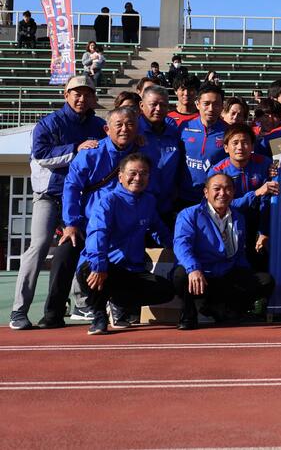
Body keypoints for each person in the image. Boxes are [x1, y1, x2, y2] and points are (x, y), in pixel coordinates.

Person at [9, 76, 106, 330]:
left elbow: (111, 144)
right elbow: (41, 155)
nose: (82, 98)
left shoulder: (99, 125)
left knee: (81, 246)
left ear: (93, 97)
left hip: (82, 198)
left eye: (87, 94)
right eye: (77, 93)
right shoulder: (48, 123)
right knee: (39, 245)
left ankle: (80, 303)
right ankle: (19, 310)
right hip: (49, 195)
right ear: (66, 95)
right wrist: (76, 149)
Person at [51, 107, 161, 326]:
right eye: (118, 125)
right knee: (64, 254)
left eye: (130, 124)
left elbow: (148, 189)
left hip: (124, 226)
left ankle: (118, 303)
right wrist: (71, 223)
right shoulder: (91, 153)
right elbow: (72, 187)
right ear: (106, 129)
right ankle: (54, 312)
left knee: (134, 266)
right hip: (88, 223)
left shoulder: (142, 153)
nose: (124, 129)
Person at [76, 153, 174, 334]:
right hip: (104, 265)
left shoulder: (149, 201)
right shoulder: (108, 201)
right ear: (120, 176)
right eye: (132, 173)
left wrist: (176, 247)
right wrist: (99, 265)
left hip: (131, 269)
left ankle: (119, 303)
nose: (138, 178)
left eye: (143, 173)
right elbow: (98, 234)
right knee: (92, 271)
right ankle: (99, 315)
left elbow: (158, 229)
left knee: (166, 290)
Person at [172, 172, 275, 330]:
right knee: (181, 275)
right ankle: (189, 314)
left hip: (225, 273)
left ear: (233, 193)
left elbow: (239, 253)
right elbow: (181, 245)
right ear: (206, 192)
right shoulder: (189, 214)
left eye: (227, 189)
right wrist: (193, 268)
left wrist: (246, 276)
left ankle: (225, 310)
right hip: (201, 274)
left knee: (265, 281)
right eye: (217, 189)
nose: (222, 193)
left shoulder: (238, 217)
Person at [211, 123, 279, 271]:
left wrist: (264, 231)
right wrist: (255, 193)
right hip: (229, 225)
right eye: (235, 143)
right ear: (226, 147)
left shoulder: (265, 164)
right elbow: (220, 207)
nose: (240, 147)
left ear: (252, 146)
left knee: (262, 263)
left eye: (245, 142)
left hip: (258, 223)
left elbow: (268, 200)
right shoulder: (218, 172)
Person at [138, 85, 188, 216]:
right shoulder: (132, 131)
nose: (158, 109)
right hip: (138, 205)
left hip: (167, 205)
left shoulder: (174, 132)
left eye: (163, 105)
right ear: (142, 105)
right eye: (153, 104)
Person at [179, 84, 229, 206]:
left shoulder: (229, 132)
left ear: (222, 106)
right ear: (197, 104)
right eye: (206, 103)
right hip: (183, 197)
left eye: (216, 104)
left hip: (214, 199)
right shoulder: (184, 127)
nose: (211, 109)